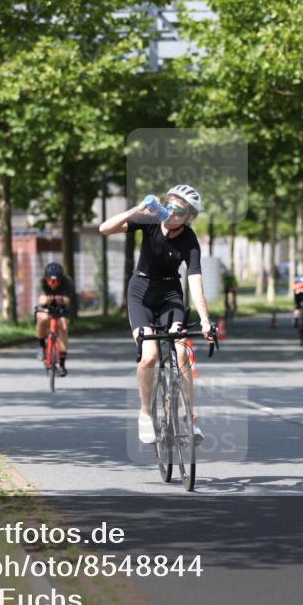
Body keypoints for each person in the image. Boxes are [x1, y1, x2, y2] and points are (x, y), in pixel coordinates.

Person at [98, 184, 213, 444]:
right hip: (141, 291)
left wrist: (205, 319)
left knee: (182, 351)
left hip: (171, 292)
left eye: (179, 210)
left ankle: (189, 419)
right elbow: (104, 229)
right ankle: (145, 413)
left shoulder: (190, 240)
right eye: (169, 205)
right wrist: (137, 209)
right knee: (149, 355)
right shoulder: (149, 220)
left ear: (189, 217)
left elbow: (195, 283)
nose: (171, 212)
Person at [35, 262, 76, 377]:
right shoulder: (41, 282)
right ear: (46, 279)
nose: (53, 284)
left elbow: (67, 300)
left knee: (63, 326)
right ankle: (42, 347)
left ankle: (62, 364)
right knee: (42, 319)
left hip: (62, 308)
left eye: (56, 281)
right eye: (51, 282)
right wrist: (49, 300)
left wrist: (58, 300)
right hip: (46, 308)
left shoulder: (67, 282)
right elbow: (41, 300)